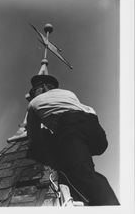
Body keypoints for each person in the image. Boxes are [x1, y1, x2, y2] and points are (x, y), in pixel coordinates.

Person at [26, 74, 120, 206]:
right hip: (95, 130)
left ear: (41, 88)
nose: (32, 94)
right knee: (83, 164)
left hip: (70, 126)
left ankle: (107, 208)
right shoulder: (69, 93)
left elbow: (34, 136)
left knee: (80, 172)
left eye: (34, 91)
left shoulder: (34, 103)